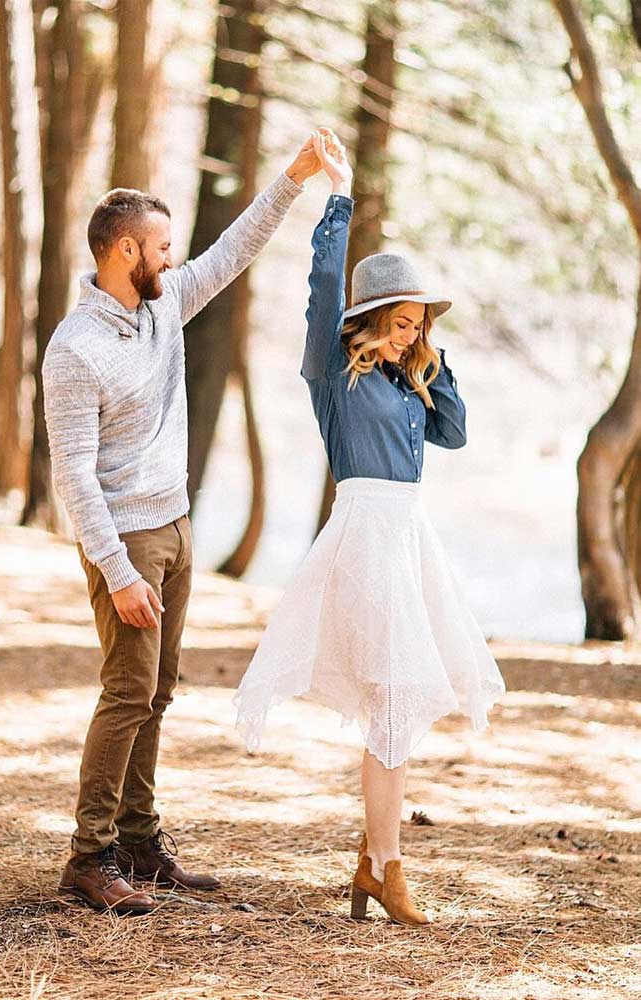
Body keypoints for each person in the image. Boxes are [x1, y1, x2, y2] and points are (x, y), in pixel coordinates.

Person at [44, 133, 327, 915]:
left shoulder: (163, 309)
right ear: (124, 249)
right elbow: (73, 476)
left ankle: (138, 839)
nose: (174, 259)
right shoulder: (75, 350)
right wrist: (118, 570)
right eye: (162, 247)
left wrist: (293, 179)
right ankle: (89, 857)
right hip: (126, 542)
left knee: (158, 689)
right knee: (126, 691)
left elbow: (232, 251)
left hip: (175, 527)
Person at [234, 131, 506, 926]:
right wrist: (338, 198)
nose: (407, 332)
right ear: (369, 317)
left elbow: (453, 433)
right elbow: (323, 286)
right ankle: (386, 867)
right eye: (399, 321)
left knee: (396, 705)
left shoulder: (407, 378)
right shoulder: (334, 375)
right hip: (362, 538)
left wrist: (430, 356)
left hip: (408, 538)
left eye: (417, 321)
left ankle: (375, 860)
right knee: (388, 702)